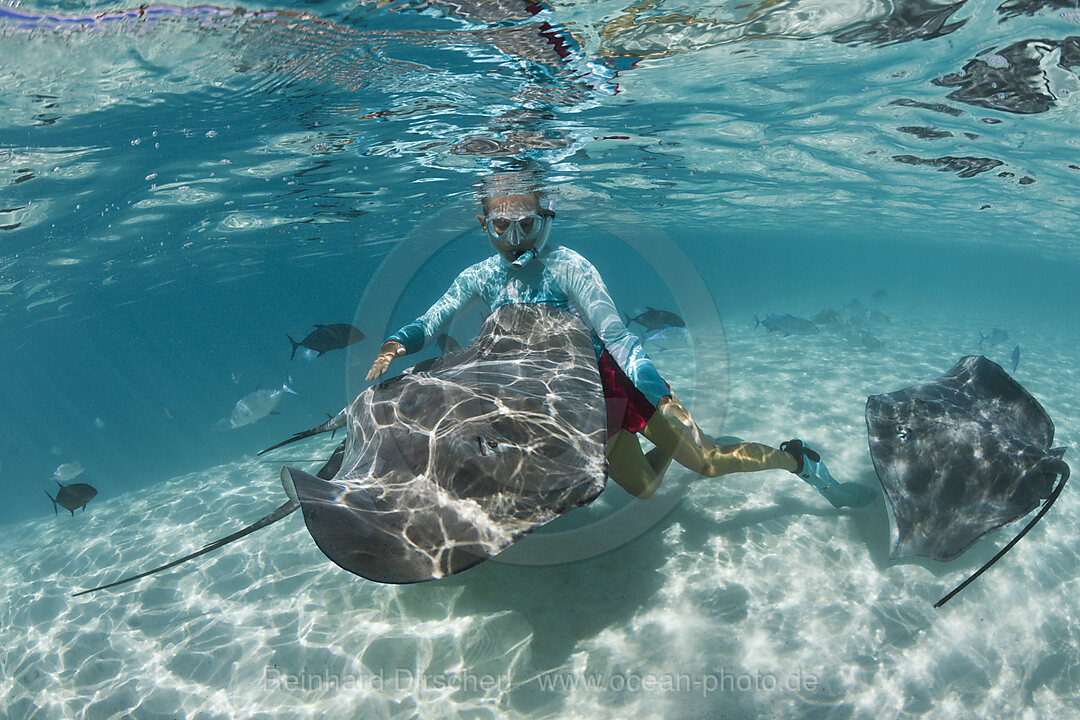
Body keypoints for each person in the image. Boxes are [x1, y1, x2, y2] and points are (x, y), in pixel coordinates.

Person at [366, 175, 873, 508]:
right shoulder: (478, 276)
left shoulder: (570, 267)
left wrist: (656, 393)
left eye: (527, 224)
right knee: (647, 489)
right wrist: (396, 345)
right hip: (569, 404)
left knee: (709, 462)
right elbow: (434, 318)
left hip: (619, 380)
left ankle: (796, 459)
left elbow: (614, 332)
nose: (515, 238)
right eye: (502, 226)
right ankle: (666, 444)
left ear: (546, 218)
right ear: (484, 225)